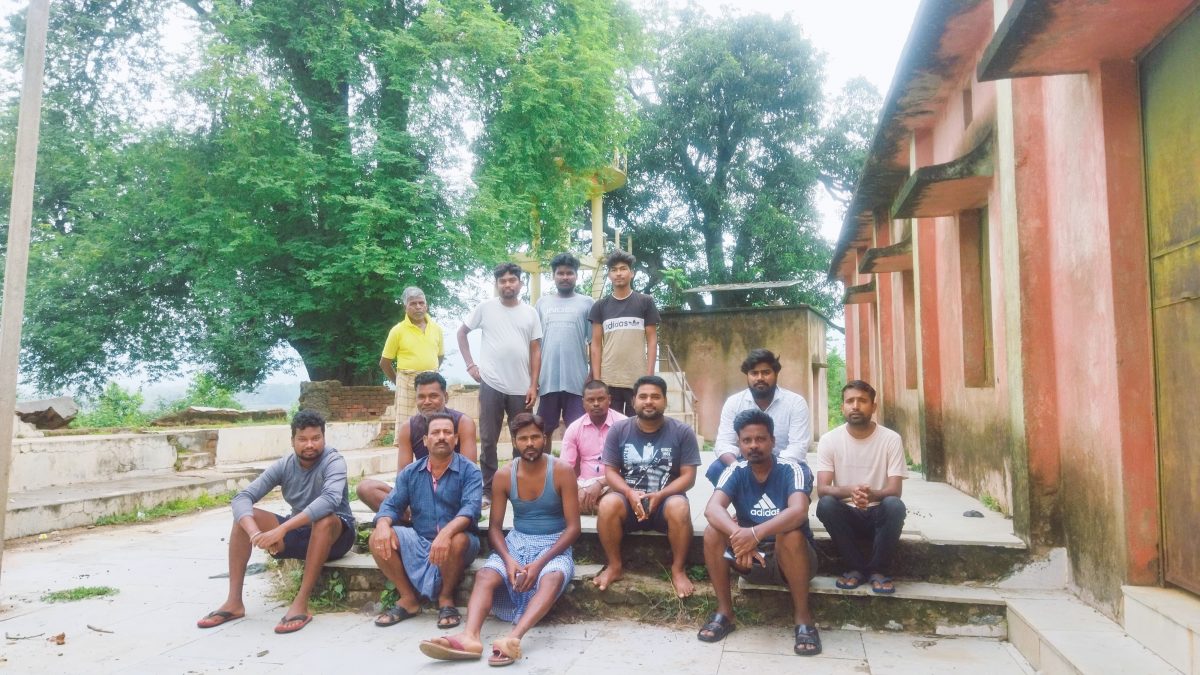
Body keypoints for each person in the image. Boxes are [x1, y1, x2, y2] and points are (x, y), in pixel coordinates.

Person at [418, 413, 580, 666]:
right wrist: (508, 560)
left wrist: (538, 564)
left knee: (552, 577)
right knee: (485, 575)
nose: (530, 443)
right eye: (523, 438)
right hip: (517, 542)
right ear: (514, 442)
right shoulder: (504, 475)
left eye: (535, 437)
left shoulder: (562, 471)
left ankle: (513, 638)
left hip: (554, 545)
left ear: (545, 439)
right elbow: (494, 528)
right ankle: (470, 637)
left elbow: (573, 529)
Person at [197, 409, 355, 635]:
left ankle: (301, 603)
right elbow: (242, 498)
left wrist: (281, 529)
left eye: (315, 438)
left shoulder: (333, 461)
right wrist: (255, 534)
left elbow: (329, 500)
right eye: (302, 439)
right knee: (245, 517)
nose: (309, 445)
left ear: (324, 438)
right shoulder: (285, 465)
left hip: (336, 536)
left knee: (324, 519)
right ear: (292, 441)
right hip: (300, 532)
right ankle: (234, 603)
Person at [699, 410, 821, 655]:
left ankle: (803, 619)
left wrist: (753, 534)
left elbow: (799, 511)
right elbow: (712, 509)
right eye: (747, 440)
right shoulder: (736, 470)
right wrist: (740, 536)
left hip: (792, 559)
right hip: (748, 557)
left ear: (772, 441)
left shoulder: (791, 469)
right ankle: (725, 613)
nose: (753, 445)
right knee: (713, 531)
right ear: (739, 444)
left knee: (790, 533)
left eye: (760, 439)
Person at [368, 412, 483, 630]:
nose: (442, 437)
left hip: (460, 542)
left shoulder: (470, 471)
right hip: (420, 541)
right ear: (425, 440)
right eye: (435, 433)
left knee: (457, 540)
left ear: (455, 439)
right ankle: (408, 599)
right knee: (377, 538)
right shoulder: (410, 473)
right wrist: (382, 524)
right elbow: (391, 505)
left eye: (447, 433)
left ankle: (446, 599)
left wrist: (446, 534)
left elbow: (471, 510)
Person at [592, 375, 700, 598]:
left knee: (680, 506)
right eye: (643, 396)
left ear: (665, 401)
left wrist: (661, 494)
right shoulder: (619, 430)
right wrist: (628, 492)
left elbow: (688, 477)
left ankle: (678, 569)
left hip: (666, 501)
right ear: (633, 401)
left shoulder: (682, 432)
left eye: (655, 397)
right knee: (607, 504)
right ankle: (614, 566)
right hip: (628, 501)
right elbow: (610, 472)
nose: (649, 401)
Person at [458, 263, 543, 507]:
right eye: (502, 281)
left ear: (520, 283)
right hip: (491, 384)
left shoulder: (530, 313)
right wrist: (470, 365)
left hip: (521, 387)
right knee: (488, 439)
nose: (507, 284)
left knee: (523, 439)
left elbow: (535, 350)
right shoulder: (485, 308)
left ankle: (521, 487)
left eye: (512, 280)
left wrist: (533, 384)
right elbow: (462, 333)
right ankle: (488, 491)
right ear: (497, 284)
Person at [814, 380, 907, 594]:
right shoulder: (829, 440)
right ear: (842, 407)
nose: (855, 406)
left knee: (894, 505)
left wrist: (872, 495)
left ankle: (879, 571)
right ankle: (854, 568)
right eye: (850, 401)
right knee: (826, 504)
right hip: (847, 515)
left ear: (873, 407)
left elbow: (895, 490)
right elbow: (823, 489)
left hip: (879, 514)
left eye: (862, 401)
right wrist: (852, 491)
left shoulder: (891, 439)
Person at [356, 371, 478, 512]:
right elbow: (403, 476)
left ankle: (420, 516)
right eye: (421, 397)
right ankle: (414, 515)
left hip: (453, 492)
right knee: (366, 488)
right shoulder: (408, 427)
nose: (427, 402)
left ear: (445, 397)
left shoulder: (463, 423)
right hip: (421, 490)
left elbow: (468, 474)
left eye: (433, 396)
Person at [704, 348, 812, 485]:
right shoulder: (734, 402)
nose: (760, 378)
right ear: (747, 376)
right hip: (746, 463)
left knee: (803, 475)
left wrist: (771, 469)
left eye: (766, 372)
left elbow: (798, 447)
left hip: (786, 464)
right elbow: (724, 443)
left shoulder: (795, 403)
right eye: (754, 373)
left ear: (776, 374)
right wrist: (737, 467)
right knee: (717, 469)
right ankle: (742, 498)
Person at [589, 250, 660, 416]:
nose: (618, 273)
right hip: (609, 381)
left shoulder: (645, 302)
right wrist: (598, 381)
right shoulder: (600, 306)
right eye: (614, 270)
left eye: (623, 269)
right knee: (611, 427)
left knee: (637, 425)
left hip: (637, 380)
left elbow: (652, 341)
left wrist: (649, 376)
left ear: (632, 273)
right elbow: (596, 345)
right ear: (609, 275)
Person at [535, 252, 594, 438]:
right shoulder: (542, 303)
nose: (565, 277)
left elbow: (593, 342)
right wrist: (534, 378)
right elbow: (535, 345)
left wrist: (593, 372)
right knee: (543, 429)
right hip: (547, 380)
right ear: (553, 276)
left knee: (578, 430)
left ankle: (574, 460)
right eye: (560, 273)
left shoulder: (587, 303)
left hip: (577, 381)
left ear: (576, 275)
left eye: (569, 273)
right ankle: (545, 459)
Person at [380, 286, 444, 431]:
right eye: (413, 304)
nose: (418, 307)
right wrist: (399, 382)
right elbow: (384, 363)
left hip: (432, 382)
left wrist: (430, 374)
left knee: (434, 425)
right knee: (406, 427)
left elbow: (440, 356)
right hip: (406, 383)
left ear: (426, 305)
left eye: (421, 303)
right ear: (405, 307)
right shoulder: (397, 331)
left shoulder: (436, 329)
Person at [559, 379, 626, 514]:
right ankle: (599, 508)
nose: (596, 403)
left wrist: (601, 483)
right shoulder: (574, 428)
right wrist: (578, 489)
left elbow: (631, 467)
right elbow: (564, 468)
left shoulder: (624, 424)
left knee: (620, 493)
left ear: (609, 399)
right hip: (584, 485)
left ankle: (593, 508)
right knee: (559, 495)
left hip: (614, 483)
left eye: (600, 399)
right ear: (583, 402)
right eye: (591, 400)